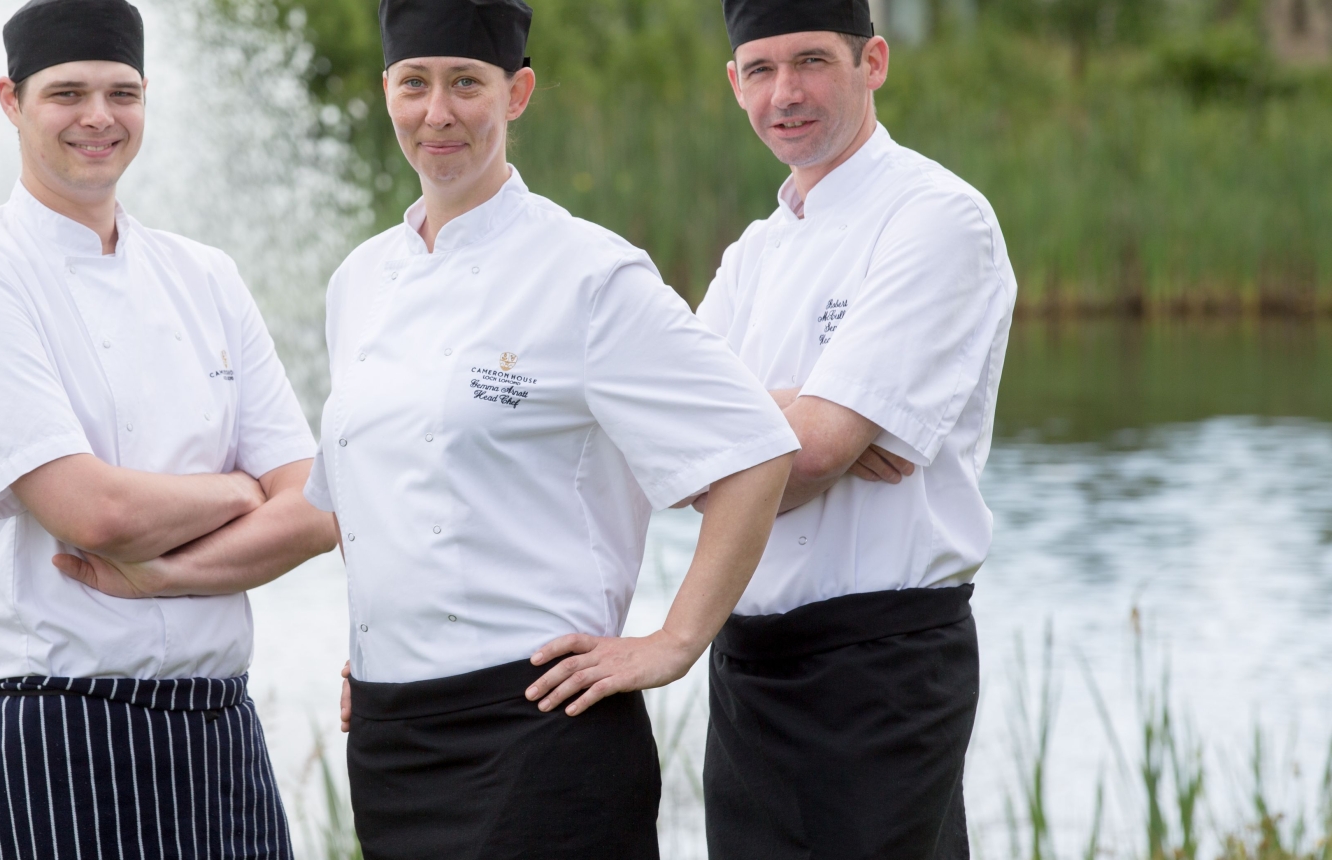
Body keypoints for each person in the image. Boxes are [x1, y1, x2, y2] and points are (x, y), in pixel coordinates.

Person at [308, 1, 801, 856]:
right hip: (392, 738)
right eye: (414, 83)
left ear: (518, 92)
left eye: (467, 83)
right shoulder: (358, 282)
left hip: (540, 729)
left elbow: (755, 448)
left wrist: (673, 644)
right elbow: (364, 491)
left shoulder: (589, 273)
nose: (439, 112)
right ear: (385, 90)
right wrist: (381, 641)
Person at [0, 0, 336, 855]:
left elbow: (320, 509)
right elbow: (92, 514)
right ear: (11, 99)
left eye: (122, 92)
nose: (98, 118)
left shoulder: (205, 276)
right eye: (67, 93)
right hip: (49, 740)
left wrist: (153, 578)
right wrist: (237, 488)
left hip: (218, 738)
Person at [692, 0, 1019, 856]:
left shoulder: (938, 218)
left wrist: (787, 437)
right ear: (734, 84)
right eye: (760, 70)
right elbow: (669, 454)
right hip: (748, 668)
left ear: (872, 61)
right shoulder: (754, 253)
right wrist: (806, 404)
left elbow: (813, 454)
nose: (784, 93)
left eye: (811, 63)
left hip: (884, 666)